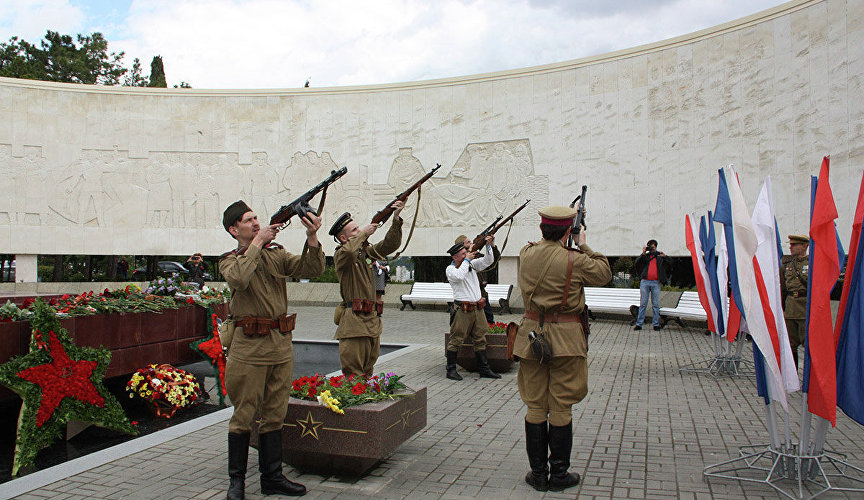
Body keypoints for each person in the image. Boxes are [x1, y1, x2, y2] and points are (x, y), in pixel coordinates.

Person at [218, 200, 324, 500]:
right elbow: (238, 277)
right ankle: (236, 482)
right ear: (233, 229)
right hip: (248, 347)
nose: (255, 223)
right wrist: (258, 242)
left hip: (279, 344)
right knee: (244, 415)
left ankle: (272, 478)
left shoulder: (276, 255)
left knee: (275, 414)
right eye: (248, 220)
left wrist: (312, 237)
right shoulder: (229, 259)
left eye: (256, 219)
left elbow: (311, 269)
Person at [514, 206, 611, 492]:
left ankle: (538, 474)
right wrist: (583, 243)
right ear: (569, 230)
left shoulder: (526, 253)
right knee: (561, 404)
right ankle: (558, 475)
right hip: (566, 339)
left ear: (542, 229)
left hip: (532, 337)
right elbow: (604, 272)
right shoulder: (575, 260)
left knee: (535, 404)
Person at [329, 201, 405, 377]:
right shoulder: (341, 255)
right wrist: (363, 233)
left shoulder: (366, 253)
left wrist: (395, 218)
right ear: (343, 238)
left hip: (371, 321)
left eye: (358, 228)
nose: (360, 231)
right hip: (354, 324)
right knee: (354, 376)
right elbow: (349, 252)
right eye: (354, 230)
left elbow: (390, 245)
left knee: (367, 372)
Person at [445, 235, 501, 381]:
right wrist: (467, 260)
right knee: (456, 338)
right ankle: (450, 369)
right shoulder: (451, 269)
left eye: (466, 253)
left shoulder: (470, 264)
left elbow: (488, 261)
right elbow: (459, 276)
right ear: (456, 257)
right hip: (463, 310)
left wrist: (489, 246)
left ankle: (484, 368)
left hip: (478, 308)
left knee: (480, 337)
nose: (467, 255)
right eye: (463, 254)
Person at [457, 234, 501, 323]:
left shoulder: (476, 255)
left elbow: (493, 260)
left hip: (482, 293)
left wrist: (491, 245)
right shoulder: (459, 262)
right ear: (462, 246)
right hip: (468, 296)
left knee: (489, 319)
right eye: (468, 242)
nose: (472, 243)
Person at [780, 234, 809, 369]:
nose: (790, 247)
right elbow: (782, 287)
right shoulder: (787, 265)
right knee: (791, 345)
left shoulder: (812, 263)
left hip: (805, 307)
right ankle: (793, 376)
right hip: (791, 307)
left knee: (808, 344)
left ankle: (809, 378)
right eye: (790, 244)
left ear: (804, 246)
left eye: (794, 245)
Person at [633, 239, 671, 331]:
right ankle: (639, 324)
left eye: (653, 247)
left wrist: (665, 256)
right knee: (643, 304)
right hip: (645, 282)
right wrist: (643, 253)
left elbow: (670, 263)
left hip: (655, 282)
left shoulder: (659, 257)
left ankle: (656, 324)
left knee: (655, 304)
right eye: (650, 247)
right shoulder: (645, 257)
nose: (651, 249)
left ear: (656, 247)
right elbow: (636, 263)